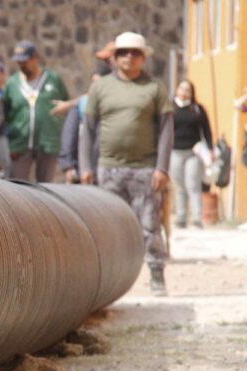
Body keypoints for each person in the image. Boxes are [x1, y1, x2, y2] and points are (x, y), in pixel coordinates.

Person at [80, 32, 173, 296]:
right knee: (108, 228)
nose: (129, 57)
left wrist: (162, 168)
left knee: (148, 225)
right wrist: (86, 166)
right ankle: (110, 282)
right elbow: (86, 129)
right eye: (123, 52)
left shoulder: (154, 88)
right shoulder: (100, 88)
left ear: (143, 57)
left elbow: (167, 129)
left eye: (135, 52)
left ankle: (156, 274)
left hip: (145, 169)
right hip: (108, 168)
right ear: (115, 57)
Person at [2, 40, 70, 182]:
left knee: (45, 187)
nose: (22, 65)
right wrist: (11, 142)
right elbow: (5, 112)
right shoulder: (12, 83)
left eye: (25, 61)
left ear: (34, 58)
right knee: (16, 186)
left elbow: (65, 103)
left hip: (48, 142)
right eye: (19, 62)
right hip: (20, 143)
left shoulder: (53, 79)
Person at [58, 63, 112, 184]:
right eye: (93, 82)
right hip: (82, 170)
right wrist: (68, 165)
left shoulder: (115, 107)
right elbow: (69, 135)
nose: (95, 87)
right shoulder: (82, 106)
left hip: (107, 171)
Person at [170, 79, 213, 229]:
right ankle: (181, 218)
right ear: (177, 90)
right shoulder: (170, 108)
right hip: (174, 152)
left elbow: (206, 130)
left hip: (193, 152)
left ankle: (196, 218)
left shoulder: (197, 109)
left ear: (192, 93)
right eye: (181, 89)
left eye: (187, 89)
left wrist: (210, 148)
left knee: (193, 185)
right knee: (179, 185)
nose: (184, 92)